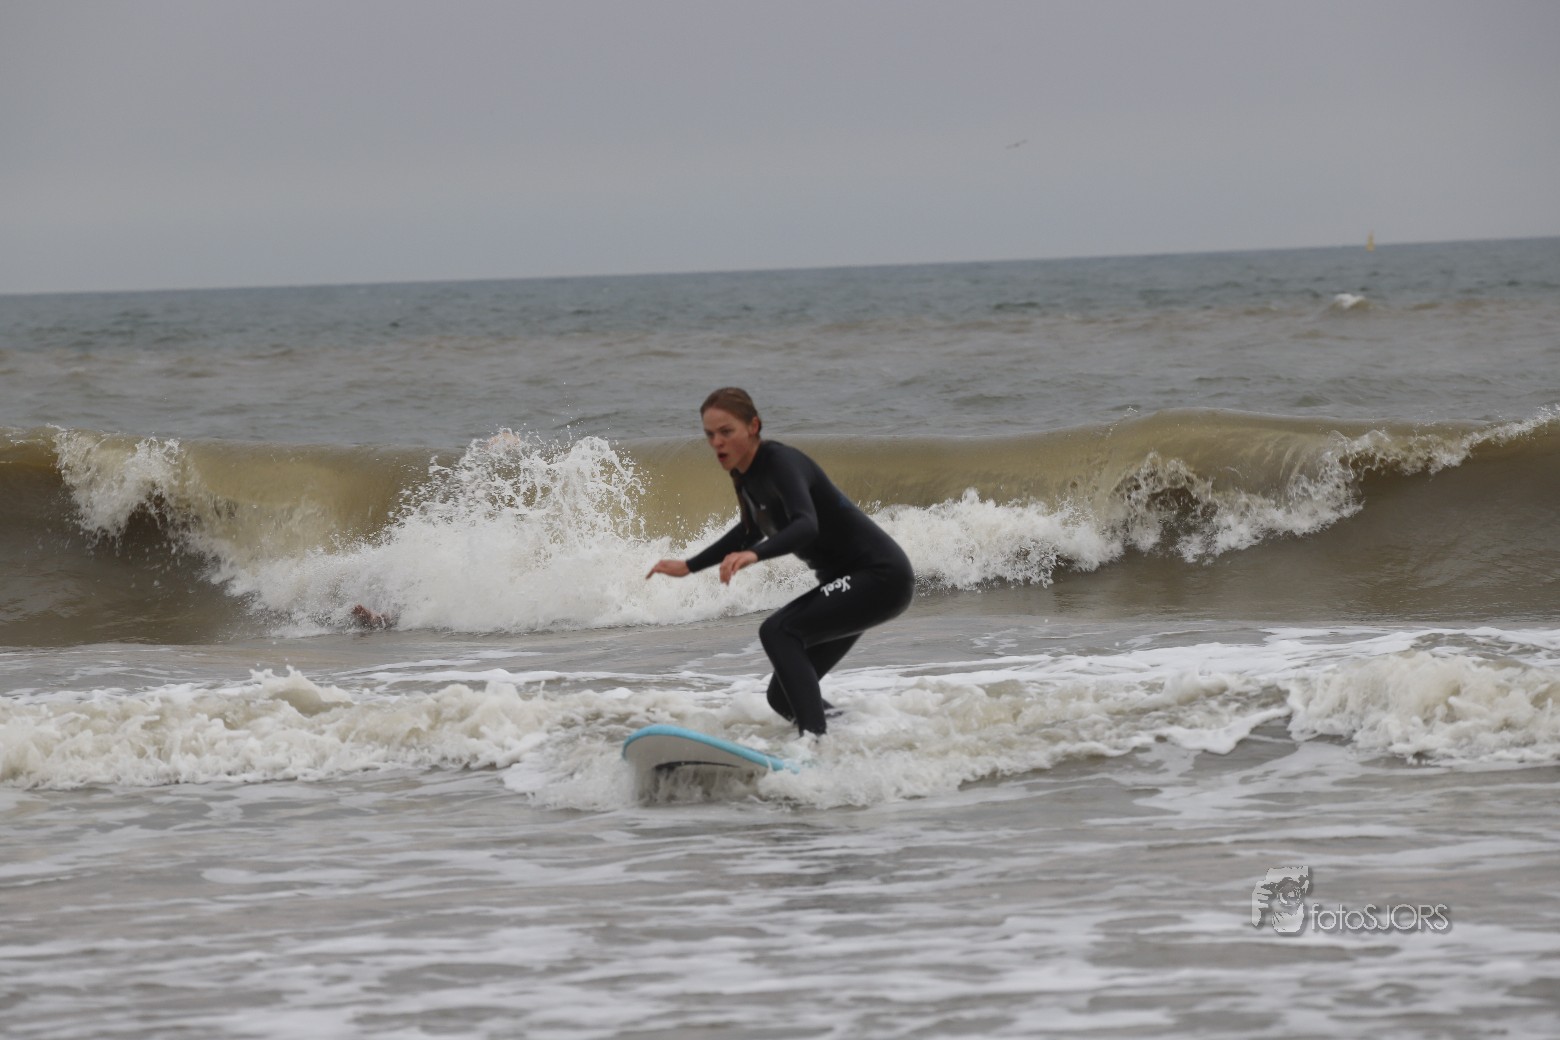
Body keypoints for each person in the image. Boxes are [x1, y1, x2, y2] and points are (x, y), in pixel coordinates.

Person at [646, 388, 914, 736]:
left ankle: (813, 744)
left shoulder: (780, 463)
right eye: (709, 434)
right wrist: (689, 566)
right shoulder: (747, 478)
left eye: (726, 432)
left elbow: (806, 524)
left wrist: (755, 554)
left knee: (778, 631)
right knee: (783, 697)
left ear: (753, 426)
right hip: (859, 584)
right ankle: (852, 735)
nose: (717, 442)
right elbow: (749, 531)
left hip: (879, 577)